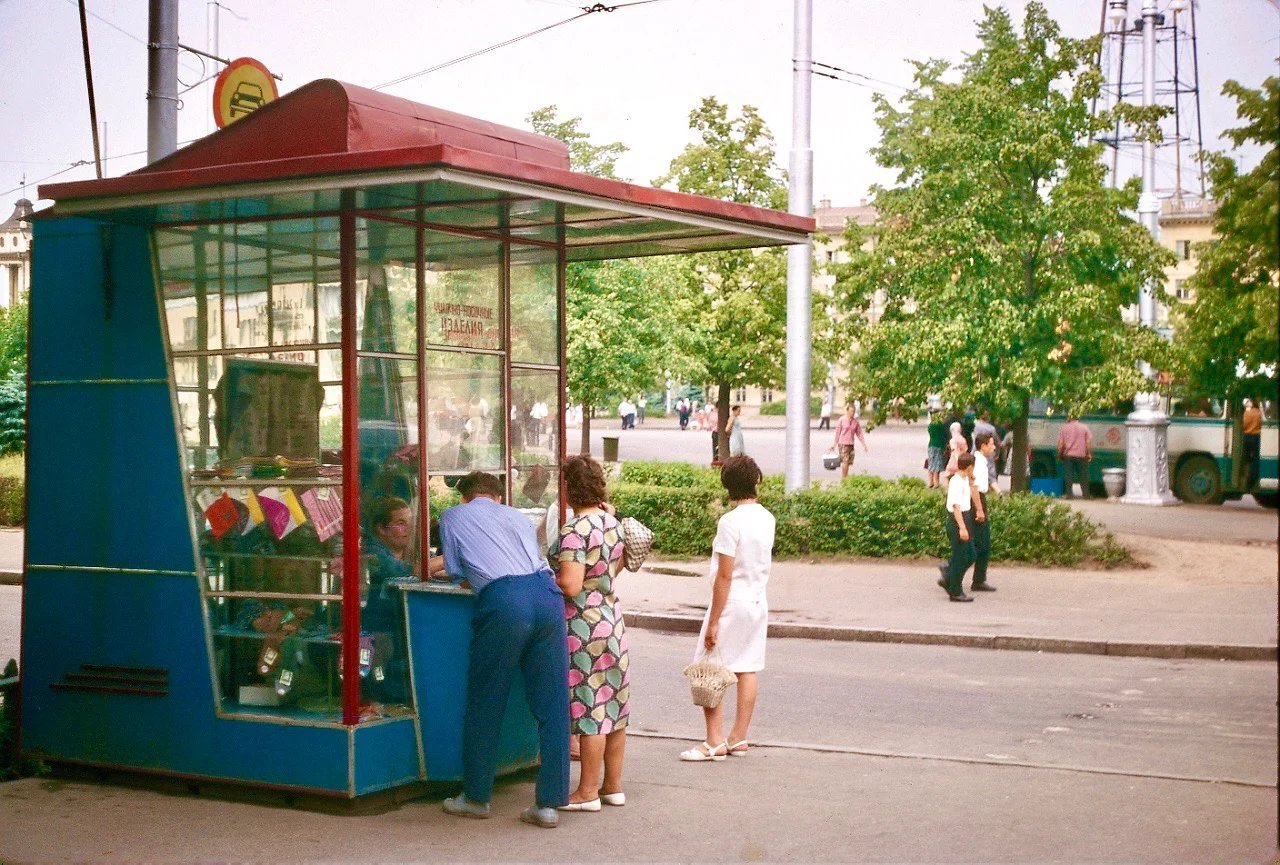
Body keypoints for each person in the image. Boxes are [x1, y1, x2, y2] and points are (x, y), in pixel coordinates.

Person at [428, 472, 571, 829]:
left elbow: (457, 570)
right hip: (546, 595)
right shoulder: (517, 516)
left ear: (465, 496)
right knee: (553, 704)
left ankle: (476, 797)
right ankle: (549, 805)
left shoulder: (453, 517)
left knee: (486, 700)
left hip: (505, 600)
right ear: (496, 494)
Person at [680, 455, 775, 762]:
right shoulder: (767, 518)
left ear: (727, 486)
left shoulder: (730, 522)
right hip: (758, 601)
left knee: (711, 668)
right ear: (756, 480)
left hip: (732, 603)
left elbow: (724, 574)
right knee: (747, 668)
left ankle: (713, 741)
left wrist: (714, 621)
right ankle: (738, 737)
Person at [551, 456, 630, 811]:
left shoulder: (574, 530)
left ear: (569, 488)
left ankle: (586, 791)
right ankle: (612, 786)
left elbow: (570, 584)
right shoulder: (611, 523)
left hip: (583, 626)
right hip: (612, 620)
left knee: (590, 707)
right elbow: (611, 570)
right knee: (614, 706)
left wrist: (545, 578)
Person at [363, 496, 421, 702]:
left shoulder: (411, 551)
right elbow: (403, 572)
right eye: (400, 523)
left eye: (409, 523)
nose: (407, 529)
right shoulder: (373, 552)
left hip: (399, 634)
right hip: (376, 634)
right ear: (382, 529)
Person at [937, 452, 977, 602]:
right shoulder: (956, 482)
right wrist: (962, 527)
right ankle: (955, 590)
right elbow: (956, 507)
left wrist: (972, 480)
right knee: (961, 557)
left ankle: (948, 574)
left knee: (970, 555)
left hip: (964, 517)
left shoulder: (964, 479)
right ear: (970, 467)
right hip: (957, 520)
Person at [968, 431, 999, 592]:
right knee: (982, 543)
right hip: (977, 501)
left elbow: (987, 481)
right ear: (983, 446)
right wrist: (979, 509)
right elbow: (974, 487)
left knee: (980, 543)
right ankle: (953, 570)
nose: (994, 447)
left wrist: (997, 491)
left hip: (979, 499)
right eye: (991, 444)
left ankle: (978, 579)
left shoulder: (982, 460)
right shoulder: (978, 462)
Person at [1057, 415, 1092, 499]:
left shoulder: (1064, 428)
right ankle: (1086, 495)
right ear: (1078, 418)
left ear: (1069, 418)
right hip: (1081, 454)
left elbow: (1061, 444)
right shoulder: (1084, 427)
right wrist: (1089, 453)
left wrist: (1060, 454)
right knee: (1083, 475)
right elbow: (1088, 442)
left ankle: (1069, 495)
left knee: (1069, 475)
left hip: (1068, 455)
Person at [831, 402, 869, 480]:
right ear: (847, 411)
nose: (852, 413)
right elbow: (837, 432)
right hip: (842, 443)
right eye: (851, 411)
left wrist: (864, 444)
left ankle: (845, 477)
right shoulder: (842, 420)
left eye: (854, 411)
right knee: (845, 461)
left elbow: (859, 433)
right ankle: (844, 478)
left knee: (848, 462)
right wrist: (834, 444)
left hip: (851, 443)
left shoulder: (855, 422)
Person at [1242, 398, 1262, 491]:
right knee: (1256, 458)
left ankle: (1245, 477)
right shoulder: (1259, 413)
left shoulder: (1247, 413)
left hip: (1247, 437)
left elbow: (1244, 425)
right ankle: (1251, 480)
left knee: (1247, 459)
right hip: (1256, 437)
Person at [925, 411, 948, 489]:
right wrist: (945, 448)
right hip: (939, 446)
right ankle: (936, 483)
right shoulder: (941, 425)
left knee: (931, 463)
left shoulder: (930, 425)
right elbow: (944, 436)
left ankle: (930, 482)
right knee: (937, 464)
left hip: (931, 445)